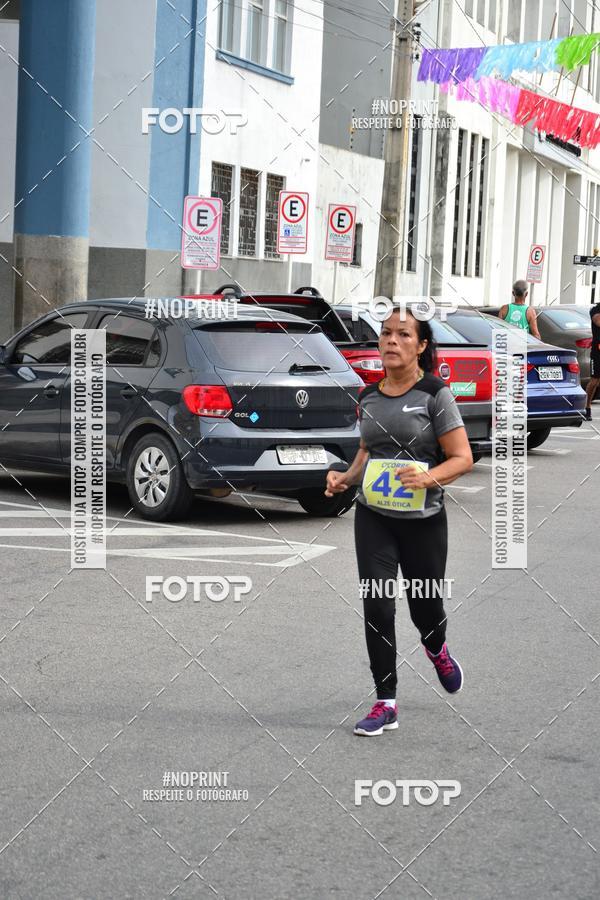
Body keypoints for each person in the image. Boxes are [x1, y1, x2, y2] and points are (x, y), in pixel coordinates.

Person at [325, 306, 473, 736]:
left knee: (425, 607)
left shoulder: (434, 395)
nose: (391, 341)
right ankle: (385, 701)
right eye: (386, 334)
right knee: (377, 603)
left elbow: (462, 458)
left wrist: (428, 476)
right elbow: (369, 451)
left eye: (403, 335)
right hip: (374, 518)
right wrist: (344, 479)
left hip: (423, 520)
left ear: (421, 345)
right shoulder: (368, 397)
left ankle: (436, 647)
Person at [584, 301, 600, 421]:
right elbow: (598, 322)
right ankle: (586, 407)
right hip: (597, 352)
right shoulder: (595, 310)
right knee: (594, 381)